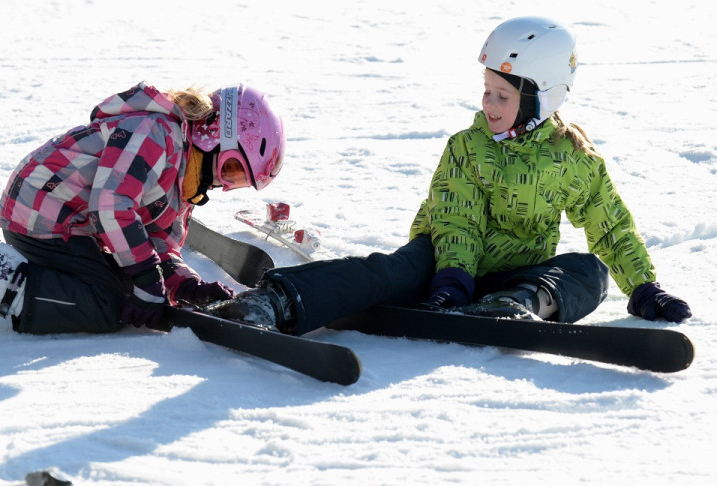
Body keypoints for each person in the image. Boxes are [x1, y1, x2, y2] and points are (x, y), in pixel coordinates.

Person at [211, 16, 691, 334]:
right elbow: (457, 221)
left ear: (542, 98)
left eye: (503, 96)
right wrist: (452, 281)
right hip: (443, 260)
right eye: (487, 91)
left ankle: (515, 306)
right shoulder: (467, 147)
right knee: (390, 272)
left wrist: (646, 287)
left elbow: (609, 225)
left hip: (510, 279)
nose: (489, 104)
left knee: (590, 272)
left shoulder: (575, 158)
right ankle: (275, 301)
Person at [0, 82, 285, 334]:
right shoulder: (156, 134)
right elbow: (111, 205)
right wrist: (147, 277)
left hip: (73, 223)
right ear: (213, 133)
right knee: (105, 306)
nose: (224, 184)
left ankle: (2, 267)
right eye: (231, 169)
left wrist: (189, 288)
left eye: (238, 181)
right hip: (41, 210)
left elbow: (161, 249)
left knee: (127, 287)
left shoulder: (186, 183)